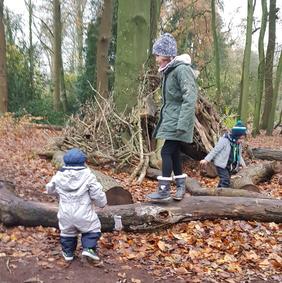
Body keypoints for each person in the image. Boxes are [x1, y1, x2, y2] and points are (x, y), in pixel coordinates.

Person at [147, 33, 198, 202]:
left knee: (166, 151)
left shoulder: (181, 70)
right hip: (172, 118)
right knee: (174, 152)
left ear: (168, 54)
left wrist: (183, 123)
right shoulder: (170, 71)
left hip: (178, 120)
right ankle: (181, 186)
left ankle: (164, 189)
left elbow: (189, 97)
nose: (156, 59)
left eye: (158, 55)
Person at [46, 148, 107, 262]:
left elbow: (50, 189)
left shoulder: (59, 175)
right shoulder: (88, 176)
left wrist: (59, 194)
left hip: (65, 212)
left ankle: (68, 252)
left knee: (67, 232)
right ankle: (88, 248)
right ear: (83, 161)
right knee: (92, 229)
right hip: (83, 212)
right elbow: (97, 192)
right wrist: (102, 203)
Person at [200, 121, 247, 188]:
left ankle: (218, 191)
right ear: (235, 136)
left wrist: (244, 165)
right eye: (240, 138)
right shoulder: (224, 140)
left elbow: (239, 155)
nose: (241, 141)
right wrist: (206, 160)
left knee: (225, 180)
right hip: (221, 165)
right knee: (225, 180)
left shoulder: (238, 144)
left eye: (243, 139)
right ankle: (221, 196)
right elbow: (215, 150)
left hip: (230, 165)